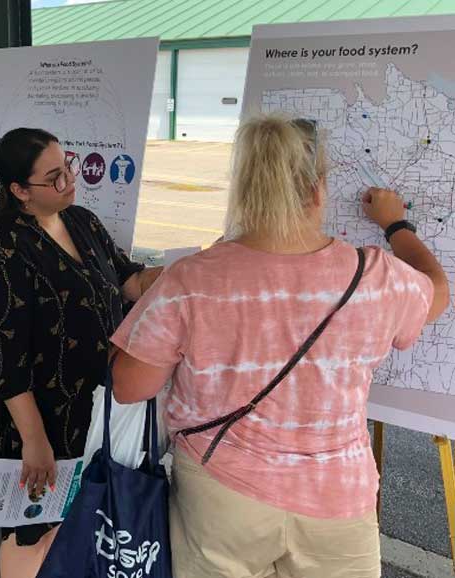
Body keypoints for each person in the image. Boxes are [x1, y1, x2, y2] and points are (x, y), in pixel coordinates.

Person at [110, 114, 449, 578]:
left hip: (219, 490)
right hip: (337, 498)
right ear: (317, 189)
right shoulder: (376, 277)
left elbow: (130, 386)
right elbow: (436, 290)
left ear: (243, 188)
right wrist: (396, 225)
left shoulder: (193, 277)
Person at [0, 127, 162, 578]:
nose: (69, 181)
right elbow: (4, 364)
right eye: (53, 177)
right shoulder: (1, 253)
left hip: (92, 409)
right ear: (18, 191)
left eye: (67, 166)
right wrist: (34, 441)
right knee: (29, 532)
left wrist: (182, 273)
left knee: (77, 522)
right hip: (40, 419)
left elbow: (127, 281)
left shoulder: (81, 221)